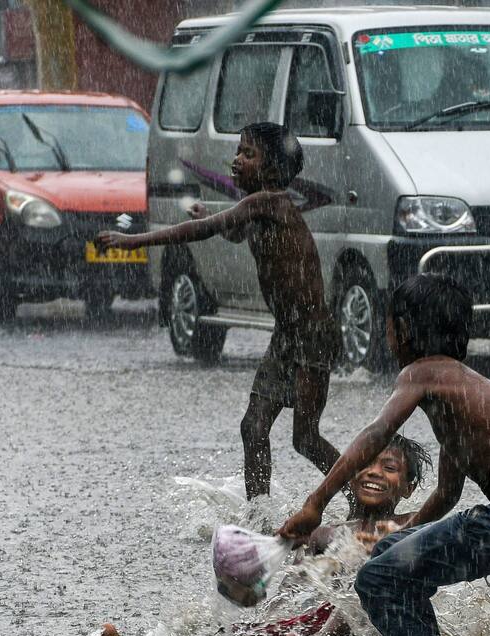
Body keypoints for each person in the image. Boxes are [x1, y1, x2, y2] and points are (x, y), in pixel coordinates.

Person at [279, 273, 490, 636]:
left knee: (379, 579)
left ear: (405, 330)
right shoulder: (460, 394)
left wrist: (315, 503)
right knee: (388, 556)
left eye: (389, 325)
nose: (386, 335)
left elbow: (378, 432)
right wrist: (405, 529)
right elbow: (447, 495)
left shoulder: (423, 371)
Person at [96, 122, 341, 500]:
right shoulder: (259, 207)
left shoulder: (269, 201)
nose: (236, 160)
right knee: (253, 427)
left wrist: (134, 241)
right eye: (238, 151)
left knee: (305, 438)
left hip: (312, 333)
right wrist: (206, 214)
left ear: (273, 169)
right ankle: (258, 515)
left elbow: (205, 232)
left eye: (248, 154)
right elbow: (232, 232)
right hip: (288, 333)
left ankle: (359, 494)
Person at [94, 435, 432, 636]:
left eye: (388, 468)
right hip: (311, 620)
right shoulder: (324, 532)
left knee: (354, 597)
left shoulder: (409, 524)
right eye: (365, 463)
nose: (373, 472)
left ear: (408, 488)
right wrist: (268, 616)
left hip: (363, 623)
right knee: (232, 634)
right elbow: (293, 583)